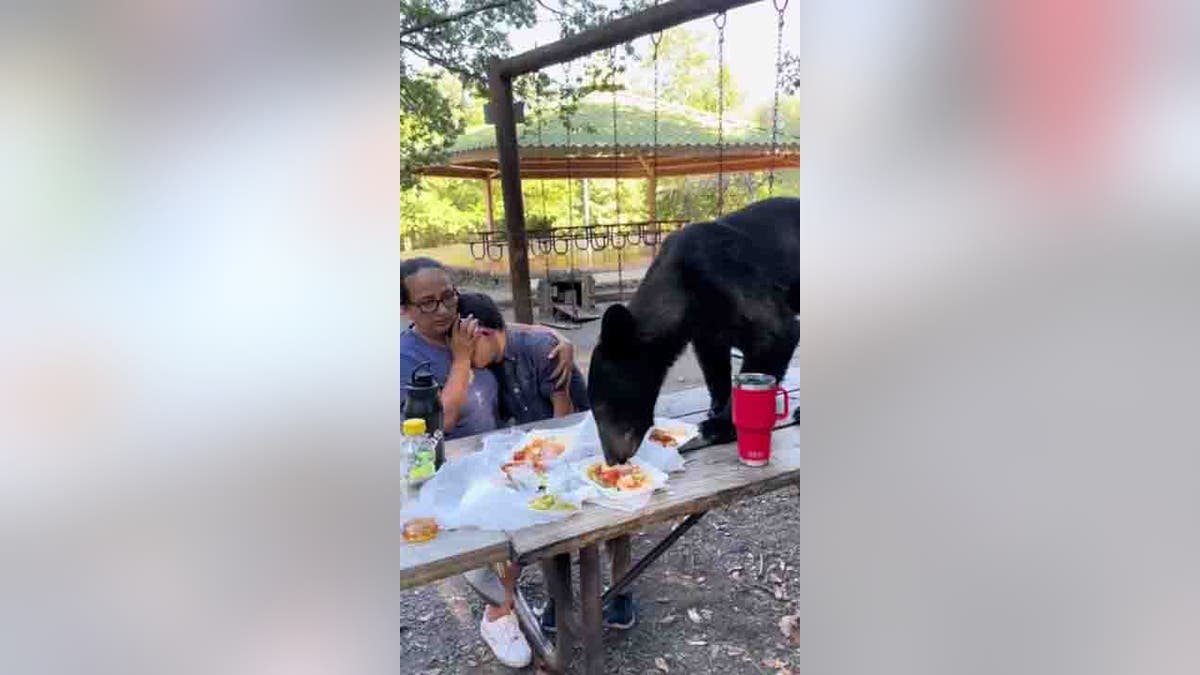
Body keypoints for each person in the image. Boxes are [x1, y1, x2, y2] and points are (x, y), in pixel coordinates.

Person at [400, 257, 575, 667]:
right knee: (503, 520)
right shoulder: (405, 358)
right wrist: (461, 362)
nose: (443, 310)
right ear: (406, 309)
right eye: (428, 303)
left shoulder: (462, 326)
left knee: (546, 505)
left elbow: (510, 333)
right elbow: (438, 423)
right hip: (441, 467)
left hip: (498, 453)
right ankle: (499, 609)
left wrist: (556, 337)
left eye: (448, 297)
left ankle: (523, 591)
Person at [457, 292, 638, 636]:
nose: (466, 357)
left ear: (482, 333)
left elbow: (563, 414)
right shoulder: (490, 364)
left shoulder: (542, 349)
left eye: (468, 347)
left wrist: (548, 460)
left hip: (584, 439)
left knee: (614, 514)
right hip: (541, 453)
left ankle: (622, 590)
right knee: (545, 520)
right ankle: (560, 598)